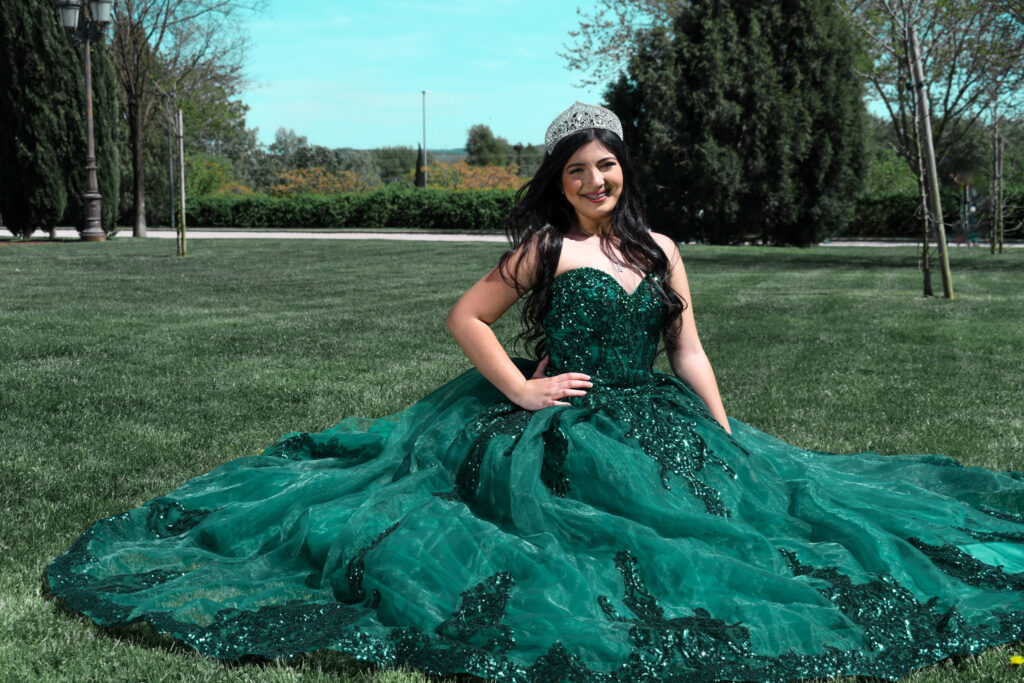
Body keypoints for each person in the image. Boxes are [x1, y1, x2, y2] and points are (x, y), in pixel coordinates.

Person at [46, 103, 1024, 682]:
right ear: (556, 181)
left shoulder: (661, 248)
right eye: (577, 168)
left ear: (620, 167)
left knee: (751, 513)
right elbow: (464, 318)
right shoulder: (544, 246)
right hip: (560, 418)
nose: (595, 177)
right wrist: (518, 385)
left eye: (606, 163)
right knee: (583, 534)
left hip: (655, 412)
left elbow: (687, 347)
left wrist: (728, 434)